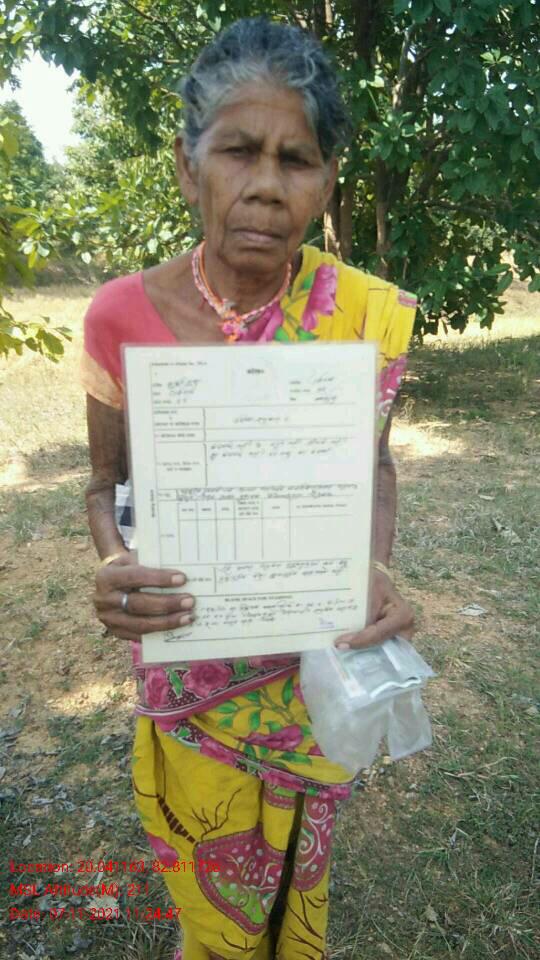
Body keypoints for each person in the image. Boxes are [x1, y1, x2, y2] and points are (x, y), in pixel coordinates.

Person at [81, 17, 416, 960]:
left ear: (327, 181)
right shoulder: (121, 317)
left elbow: (375, 467)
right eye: (237, 150)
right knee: (219, 913)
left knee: (294, 902)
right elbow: (102, 486)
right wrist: (113, 562)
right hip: (193, 678)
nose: (267, 184)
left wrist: (375, 568)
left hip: (313, 678)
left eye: (296, 159)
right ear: (188, 166)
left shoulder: (365, 318)